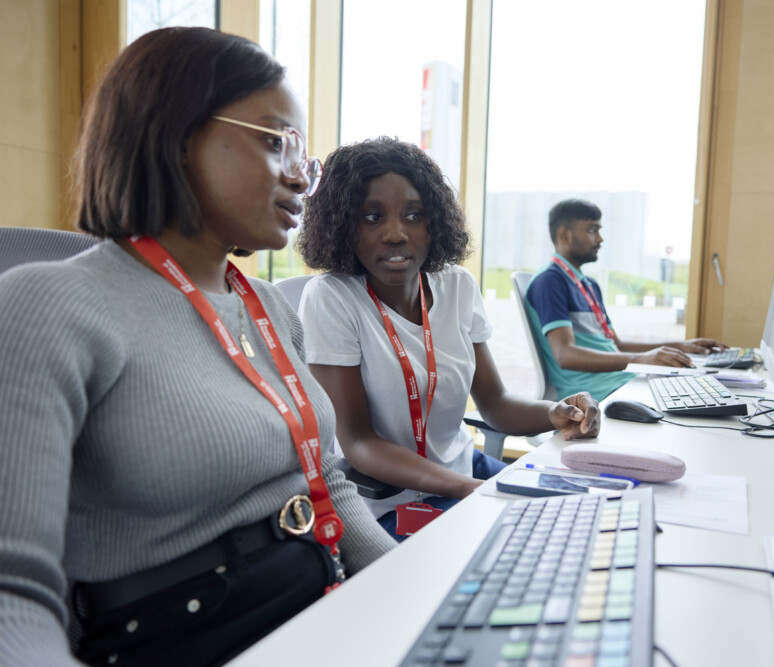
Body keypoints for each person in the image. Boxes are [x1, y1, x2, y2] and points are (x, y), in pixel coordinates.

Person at [0, 28, 397, 667]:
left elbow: (327, 485)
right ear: (174, 135)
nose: (302, 178)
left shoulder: (268, 307)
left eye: (305, 154)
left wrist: (423, 593)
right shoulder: (49, 303)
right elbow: (10, 591)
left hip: (321, 617)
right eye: (275, 143)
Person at [296, 137, 602, 541]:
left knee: (587, 514)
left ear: (433, 222)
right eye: (372, 217)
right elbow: (357, 441)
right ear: (343, 225)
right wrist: (466, 490)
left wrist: (554, 413)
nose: (395, 233)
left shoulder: (457, 286)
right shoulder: (331, 298)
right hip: (385, 504)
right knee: (527, 543)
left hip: (464, 473)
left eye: (413, 215)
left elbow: (495, 404)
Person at [525, 199, 727, 401]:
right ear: (564, 235)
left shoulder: (589, 284)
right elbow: (565, 355)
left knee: (703, 389)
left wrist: (680, 346)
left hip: (624, 382)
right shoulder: (550, 281)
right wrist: (642, 359)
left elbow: (617, 345)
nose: (600, 239)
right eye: (592, 230)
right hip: (594, 396)